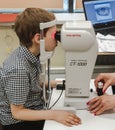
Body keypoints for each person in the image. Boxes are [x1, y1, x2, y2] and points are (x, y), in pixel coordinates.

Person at [0, 8, 81, 130]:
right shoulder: (18, 69)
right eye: (54, 34)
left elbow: (29, 83)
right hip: (19, 123)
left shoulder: (30, 54)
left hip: (35, 108)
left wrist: (55, 83)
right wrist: (55, 115)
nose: (58, 39)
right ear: (38, 39)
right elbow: (17, 113)